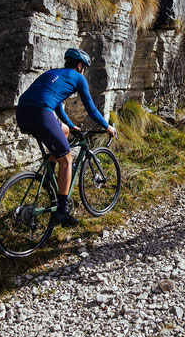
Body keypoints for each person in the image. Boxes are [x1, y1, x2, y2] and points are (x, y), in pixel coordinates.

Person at [16, 48, 117, 227]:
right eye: (84, 68)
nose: (83, 71)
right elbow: (91, 109)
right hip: (41, 113)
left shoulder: (52, 74)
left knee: (63, 131)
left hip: (23, 112)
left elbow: (57, 107)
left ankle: (49, 178)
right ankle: (61, 213)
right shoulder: (78, 78)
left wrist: (70, 126)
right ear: (80, 66)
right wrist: (107, 126)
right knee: (68, 160)